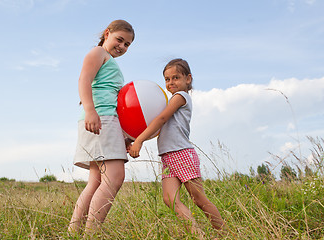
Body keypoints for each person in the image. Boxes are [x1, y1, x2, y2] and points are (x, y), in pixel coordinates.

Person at [129, 58, 225, 235]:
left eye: (175, 78)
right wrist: (134, 140)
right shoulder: (172, 99)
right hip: (167, 157)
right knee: (169, 199)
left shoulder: (181, 97)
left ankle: (225, 233)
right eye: (167, 79)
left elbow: (161, 119)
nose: (171, 82)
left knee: (198, 198)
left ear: (188, 79)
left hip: (181, 154)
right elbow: (158, 129)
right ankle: (199, 235)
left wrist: (140, 140)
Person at [68, 20, 135, 234]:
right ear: (107, 33)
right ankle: (91, 234)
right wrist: (90, 110)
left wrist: (123, 134)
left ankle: (74, 232)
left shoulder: (109, 61)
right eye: (120, 40)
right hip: (101, 119)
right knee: (115, 177)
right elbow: (83, 80)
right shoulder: (98, 53)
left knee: (96, 181)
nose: (122, 46)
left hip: (105, 120)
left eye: (127, 44)